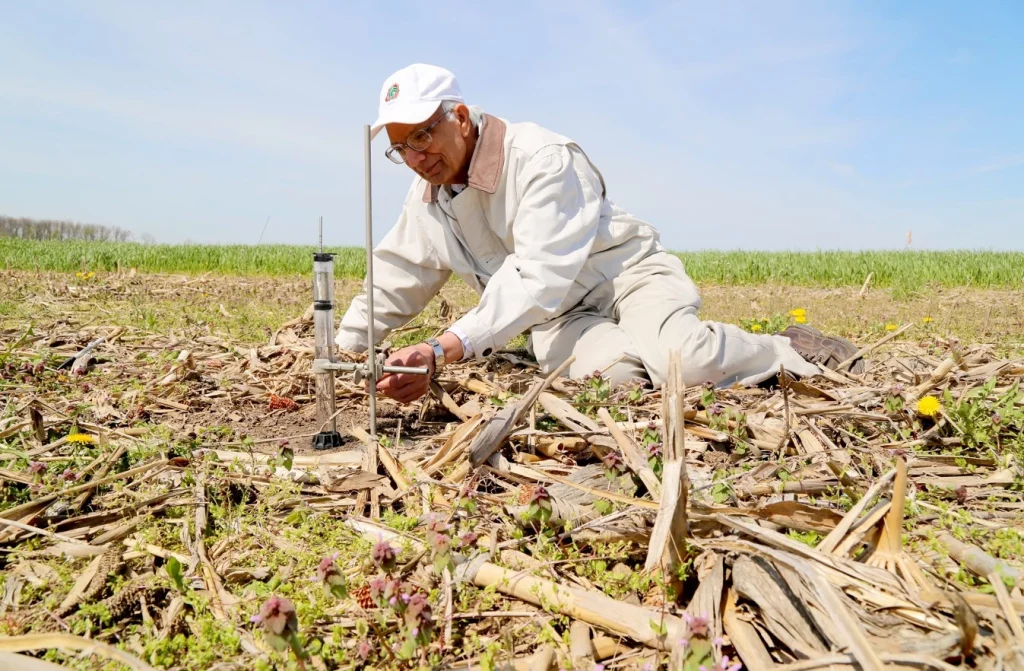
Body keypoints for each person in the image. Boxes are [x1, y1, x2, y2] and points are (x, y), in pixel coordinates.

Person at [335, 64, 861, 404]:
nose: (416, 157)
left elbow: (535, 278)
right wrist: (344, 352)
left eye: (424, 134)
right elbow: (399, 275)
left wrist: (441, 349)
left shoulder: (541, 158)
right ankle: (662, 354)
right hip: (563, 316)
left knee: (684, 359)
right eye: (401, 147)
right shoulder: (429, 197)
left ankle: (786, 347)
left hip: (627, 279)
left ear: (463, 118)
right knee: (614, 383)